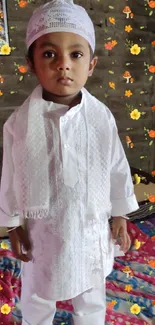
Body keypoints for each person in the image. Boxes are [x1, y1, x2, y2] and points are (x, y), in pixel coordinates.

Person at [0, 1, 139, 324]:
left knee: (91, 295)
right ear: (31, 64)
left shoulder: (100, 116)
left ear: (91, 64)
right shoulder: (20, 123)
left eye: (75, 55)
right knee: (37, 293)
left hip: (90, 226)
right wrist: (13, 225)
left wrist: (118, 213)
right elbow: (10, 176)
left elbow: (116, 164)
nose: (64, 65)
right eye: (49, 54)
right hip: (42, 231)